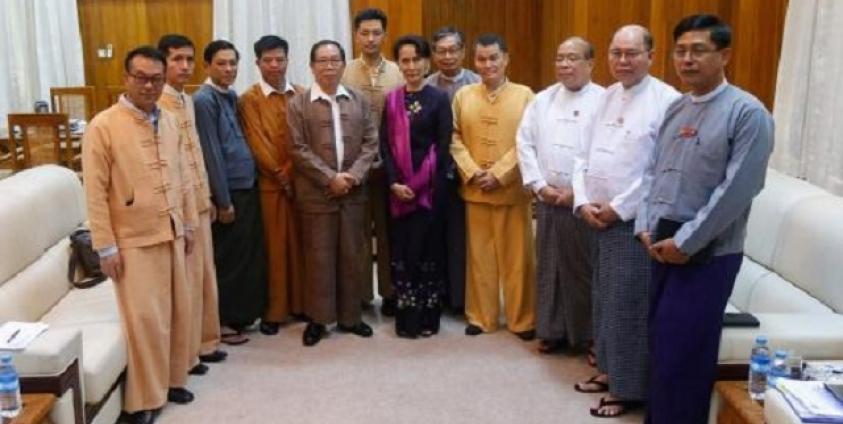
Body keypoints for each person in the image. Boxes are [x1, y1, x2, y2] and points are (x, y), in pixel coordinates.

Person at [636, 15, 774, 423]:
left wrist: (687, 243)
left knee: (685, 353)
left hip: (708, 255)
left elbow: (736, 190)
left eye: (698, 50)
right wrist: (644, 224)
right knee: (661, 347)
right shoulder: (676, 107)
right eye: (680, 51)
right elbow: (651, 171)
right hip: (660, 243)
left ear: (724, 54)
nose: (687, 60)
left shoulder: (747, 113)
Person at [82, 46, 198, 424]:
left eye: (156, 79)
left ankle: (172, 379)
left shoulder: (166, 120)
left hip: (172, 230)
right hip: (132, 240)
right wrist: (106, 247)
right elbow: (94, 194)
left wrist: (189, 224)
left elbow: (180, 177)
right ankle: (145, 399)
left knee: (178, 312)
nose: (149, 86)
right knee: (146, 321)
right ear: (126, 78)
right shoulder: (103, 125)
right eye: (141, 78)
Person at [572, 25, 680, 418]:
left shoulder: (668, 100)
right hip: (594, 216)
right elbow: (581, 155)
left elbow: (658, 169)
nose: (622, 60)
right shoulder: (605, 96)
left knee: (626, 304)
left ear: (651, 55)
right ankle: (608, 371)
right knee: (601, 299)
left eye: (631, 53)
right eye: (616, 53)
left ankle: (628, 389)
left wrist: (619, 207)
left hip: (631, 221)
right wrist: (582, 200)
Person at [516, 36, 604, 354]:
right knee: (549, 266)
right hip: (548, 197)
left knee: (582, 271)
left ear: (590, 63)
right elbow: (524, 143)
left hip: (583, 203)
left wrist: (576, 194)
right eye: (559, 58)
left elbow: (605, 155)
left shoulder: (604, 101)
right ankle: (552, 329)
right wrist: (539, 185)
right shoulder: (542, 100)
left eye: (572, 58)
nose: (564, 65)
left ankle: (588, 335)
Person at [288, 40, 379, 346]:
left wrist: (351, 177)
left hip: (354, 194)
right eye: (322, 61)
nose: (329, 66)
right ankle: (318, 319)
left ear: (343, 64)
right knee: (319, 258)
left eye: (334, 60)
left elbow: (370, 144)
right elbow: (298, 149)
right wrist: (329, 178)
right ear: (312, 66)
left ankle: (351, 317)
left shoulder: (359, 100)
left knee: (352, 255)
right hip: (316, 195)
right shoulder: (298, 103)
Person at [450, 33, 536, 339]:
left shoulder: (526, 95)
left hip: (512, 191)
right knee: (479, 259)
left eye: (493, 58)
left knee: (518, 259)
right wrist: (472, 172)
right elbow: (455, 138)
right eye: (481, 59)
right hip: (475, 191)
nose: (487, 65)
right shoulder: (463, 96)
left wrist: (499, 173)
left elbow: (528, 142)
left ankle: (522, 319)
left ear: (506, 58)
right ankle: (481, 316)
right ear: (474, 61)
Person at [156, 34, 228, 378]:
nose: (184, 66)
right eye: (176, 60)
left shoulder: (187, 100)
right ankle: (184, 356)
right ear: (162, 63)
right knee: (184, 283)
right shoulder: (157, 104)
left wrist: (208, 196)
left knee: (204, 276)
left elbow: (197, 153)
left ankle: (204, 344)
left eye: (188, 59)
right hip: (176, 209)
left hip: (199, 201)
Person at [193, 40, 267, 345]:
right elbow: (211, 153)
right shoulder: (203, 100)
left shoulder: (231, 95)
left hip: (246, 186)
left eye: (233, 63)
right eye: (221, 63)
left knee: (244, 256)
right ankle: (221, 321)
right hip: (229, 193)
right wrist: (222, 201)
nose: (228, 69)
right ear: (208, 66)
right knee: (227, 260)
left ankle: (240, 316)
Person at [380, 35, 453, 338]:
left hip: (430, 193)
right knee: (404, 254)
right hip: (399, 195)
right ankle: (406, 319)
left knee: (428, 255)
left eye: (416, 59)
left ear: (426, 62)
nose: (410, 66)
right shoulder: (392, 99)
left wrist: (421, 185)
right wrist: (395, 182)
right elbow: (385, 146)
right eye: (404, 60)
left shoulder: (439, 99)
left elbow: (443, 146)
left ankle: (427, 319)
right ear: (398, 64)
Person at [239, 35, 307, 335]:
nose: (275, 65)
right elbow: (256, 142)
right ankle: (274, 311)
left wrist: (293, 169)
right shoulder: (249, 99)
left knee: (303, 245)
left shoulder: (302, 95)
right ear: (257, 63)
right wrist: (281, 173)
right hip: (269, 186)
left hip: (302, 182)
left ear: (288, 60)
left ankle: (303, 304)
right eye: (268, 60)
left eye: (280, 59)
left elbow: (307, 139)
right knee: (274, 249)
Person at [342, 8, 403, 315]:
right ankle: (362, 294)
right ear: (356, 36)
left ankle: (390, 293)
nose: (370, 38)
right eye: (364, 33)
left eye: (376, 33)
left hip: (391, 165)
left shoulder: (397, 71)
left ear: (384, 35)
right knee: (359, 233)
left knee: (389, 231)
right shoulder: (345, 71)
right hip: (356, 165)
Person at [425, 26, 480, 315]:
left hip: (469, 173)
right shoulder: (426, 85)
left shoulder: (478, 83)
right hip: (433, 175)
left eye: (452, 50)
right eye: (441, 51)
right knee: (438, 235)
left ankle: (462, 298)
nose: (447, 57)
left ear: (462, 51)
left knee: (463, 238)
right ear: (433, 55)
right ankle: (440, 293)